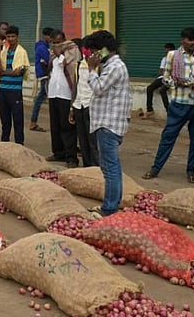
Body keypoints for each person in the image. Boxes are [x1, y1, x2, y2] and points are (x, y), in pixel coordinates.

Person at [143, 27, 194, 184]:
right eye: (189, 40)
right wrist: (176, 82)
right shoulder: (172, 56)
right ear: (182, 40)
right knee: (168, 137)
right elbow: (165, 79)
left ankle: (191, 171)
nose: (192, 44)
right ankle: (156, 168)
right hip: (179, 103)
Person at [83, 30, 131, 216]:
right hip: (106, 122)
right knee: (111, 167)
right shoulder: (110, 65)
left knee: (110, 169)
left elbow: (99, 88)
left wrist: (90, 69)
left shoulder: (115, 67)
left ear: (103, 50)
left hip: (109, 125)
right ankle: (112, 204)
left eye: (95, 51)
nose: (92, 55)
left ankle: (109, 209)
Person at [45, 29, 81, 167]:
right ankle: (58, 152)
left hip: (66, 94)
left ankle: (71, 157)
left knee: (68, 126)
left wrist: (60, 54)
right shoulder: (53, 53)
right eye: (53, 43)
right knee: (55, 125)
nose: (56, 46)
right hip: (54, 92)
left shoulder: (72, 49)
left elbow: (66, 64)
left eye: (59, 43)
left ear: (64, 40)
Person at [0, 24, 29, 145]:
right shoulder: (3, 52)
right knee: (5, 121)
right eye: (8, 36)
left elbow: (19, 72)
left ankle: (20, 145)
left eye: (13, 36)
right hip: (2, 89)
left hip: (15, 91)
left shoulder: (22, 52)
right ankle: (5, 145)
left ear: (17, 37)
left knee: (18, 120)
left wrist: (5, 73)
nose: (10, 39)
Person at [70, 38, 98, 168]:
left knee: (93, 140)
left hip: (91, 106)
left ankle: (95, 167)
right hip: (79, 105)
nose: (86, 51)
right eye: (84, 48)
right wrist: (72, 107)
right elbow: (75, 86)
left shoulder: (99, 66)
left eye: (88, 48)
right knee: (82, 139)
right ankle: (87, 166)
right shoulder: (79, 64)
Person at [29, 27, 53, 132]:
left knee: (41, 97)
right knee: (43, 98)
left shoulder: (45, 46)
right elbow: (49, 60)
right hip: (45, 75)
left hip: (45, 75)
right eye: (50, 36)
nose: (51, 39)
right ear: (45, 36)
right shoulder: (42, 48)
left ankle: (33, 122)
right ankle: (33, 122)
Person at [145, 43, 175, 115]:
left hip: (173, 79)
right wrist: (166, 73)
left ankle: (168, 111)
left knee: (162, 90)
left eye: (169, 51)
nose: (167, 52)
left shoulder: (177, 60)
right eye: (166, 51)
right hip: (164, 77)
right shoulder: (164, 59)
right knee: (149, 88)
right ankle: (150, 109)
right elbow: (161, 71)